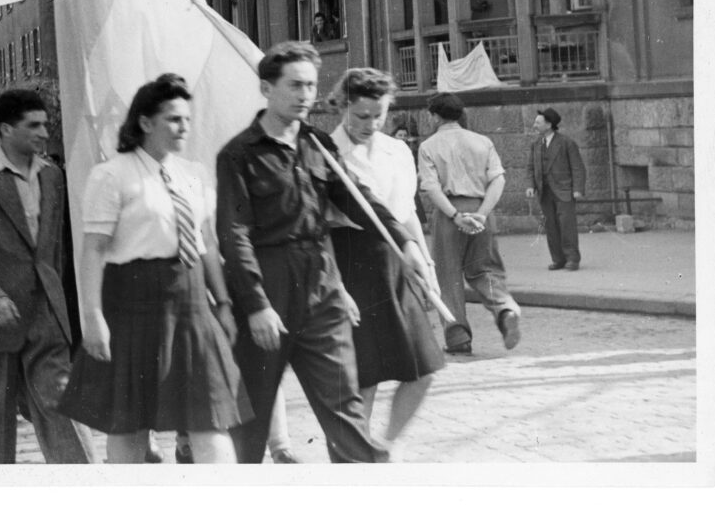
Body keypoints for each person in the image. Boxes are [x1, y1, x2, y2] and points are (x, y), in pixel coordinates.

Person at [215, 41, 430, 464]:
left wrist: (404, 241)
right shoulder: (239, 155)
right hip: (268, 286)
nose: (305, 95)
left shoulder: (317, 145)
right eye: (295, 85)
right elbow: (234, 235)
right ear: (266, 88)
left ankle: (359, 480)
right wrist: (256, 305)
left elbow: (360, 199)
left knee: (346, 410)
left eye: (311, 86)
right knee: (251, 423)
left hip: (322, 288)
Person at [58, 75, 249, 463]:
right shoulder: (112, 175)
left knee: (210, 418)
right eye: (174, 119)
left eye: (187, 120)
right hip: (132, 304)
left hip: (193, 305)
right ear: (145, 122)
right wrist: (92, 317)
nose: (184, 128)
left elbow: (207, 242)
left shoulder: (193, 173)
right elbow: (93, 249)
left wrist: (224, 304)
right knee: (129, 424)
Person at [0, 89, 93, 464]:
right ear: (7, 129)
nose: (44, 133)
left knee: (62, 401)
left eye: (45, 124)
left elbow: (54, 249)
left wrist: (58, 304)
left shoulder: (53, 176)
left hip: (45, 315)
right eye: (34, 125)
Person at [326, 68, 444, 454]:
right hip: (352, 264)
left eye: (379, 115)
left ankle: (383, 446)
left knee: (423, 369)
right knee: (364, 380)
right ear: (342, 107)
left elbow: (406, 212)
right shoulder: (326, 152)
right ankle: (354, 458)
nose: (371, 124)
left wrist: (427, 264)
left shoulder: (396, 150)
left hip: (399, 262)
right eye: (361, 115)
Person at [417, 92, 521, 356]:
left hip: (449, 213)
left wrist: (455, 215)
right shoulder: (482, 142)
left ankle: (457, 337)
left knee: (448, 276)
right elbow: (498, 179)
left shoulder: (428, 146)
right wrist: (483, 214)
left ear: (435, 116)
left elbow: (431, 187)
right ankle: (504, 308)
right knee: (486, 269)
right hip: (481, 208)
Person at [526, 107, 586, 271]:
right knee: (550, 227)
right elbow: (530, 167)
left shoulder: (566, 143)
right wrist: (530, 185)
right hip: (544, 192)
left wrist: (577, 189)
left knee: (567, 226)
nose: (534, 125)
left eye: (538, 123)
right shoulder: (536, 145)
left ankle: (572, 259)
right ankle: (558, 259)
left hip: (564, 191)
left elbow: (577, 167)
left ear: (549, 124)